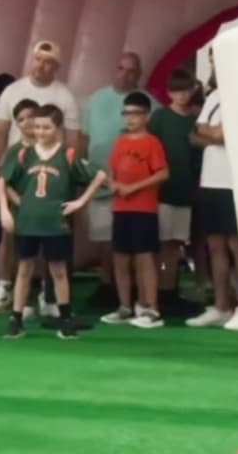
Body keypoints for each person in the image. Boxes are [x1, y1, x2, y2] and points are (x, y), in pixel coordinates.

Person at [0, 41, 81, 314]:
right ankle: (4, 288)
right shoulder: (13, 92)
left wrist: (69, 176)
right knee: (10, 233)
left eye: (49, 62)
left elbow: (73, 142)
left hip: (52, 177)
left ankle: (48, 295)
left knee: (50, 236)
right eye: (38, 59)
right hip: (17, 172)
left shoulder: (65, 96)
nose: (42, 65)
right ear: (32, 59)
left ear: (57, 67)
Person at [0, 105, 105, 340]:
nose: (40, 132)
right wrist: (7, 209)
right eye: (37, 127)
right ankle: (16, 318)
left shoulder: (67, 154)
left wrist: (80, 202)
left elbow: (99, 175)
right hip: (28, 221)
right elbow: (3, 180)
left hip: (55, 222)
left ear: (57, 128)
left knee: (58, 270)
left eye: (46, 127)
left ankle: (65, 317)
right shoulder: (24, 154)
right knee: (24, 269)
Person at [186, 49, 238, 331]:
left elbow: (220, 133)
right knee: (214, 246)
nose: (214, 66)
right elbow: (195, 133)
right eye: (213, 61)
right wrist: (212, 135)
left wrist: (210, 134)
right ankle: (222, 306)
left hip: (234, 181)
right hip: (210, 180)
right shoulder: (213, 96)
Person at [81, 53, 148, 308]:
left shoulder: (148, 103)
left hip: (134, 189)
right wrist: (82, 172)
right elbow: (83, 139)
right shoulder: (96, 100)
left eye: (132, 71)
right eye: (121, 69)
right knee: (104, 239)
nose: (126, 74)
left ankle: (131, 291)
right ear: (114, 69)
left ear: (138, 74)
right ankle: (107, 285)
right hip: (100, 180)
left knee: (128, 241)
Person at [99, 92, 169, 329]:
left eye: (135, 114)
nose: (130, 119)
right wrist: (113, 184)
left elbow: (162, 173)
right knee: (120, 257)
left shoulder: (152, 142)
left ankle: (150, 307)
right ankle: (125, 306)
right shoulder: (120, 142)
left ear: (146, 116)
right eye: (126, 113)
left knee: (144, 258)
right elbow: (111, 172)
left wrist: (133, 188)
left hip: (144, 209)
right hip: (121, 208)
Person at [147, 69, 202, 314]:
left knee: (176, 244)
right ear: (169, 92)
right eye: (176, 90)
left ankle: (169, 292)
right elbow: (149, 151)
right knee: (160, 244)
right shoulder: (159, 118)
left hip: (186, 191)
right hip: (162, 192)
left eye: (185, 90)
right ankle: (155, 293)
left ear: (192, 91)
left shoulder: (194, 122)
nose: (181, 95)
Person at [0, 98, 38, 315]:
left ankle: (33, 295)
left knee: (34, 252)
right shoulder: (15, 151)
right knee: (9, 242)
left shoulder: (47, 149)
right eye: (21, 119)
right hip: (17, 208)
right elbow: (5, 182)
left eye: (31, 117)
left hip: (40, 210)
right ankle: (5, 289)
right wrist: (18, 203)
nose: (27, 123)